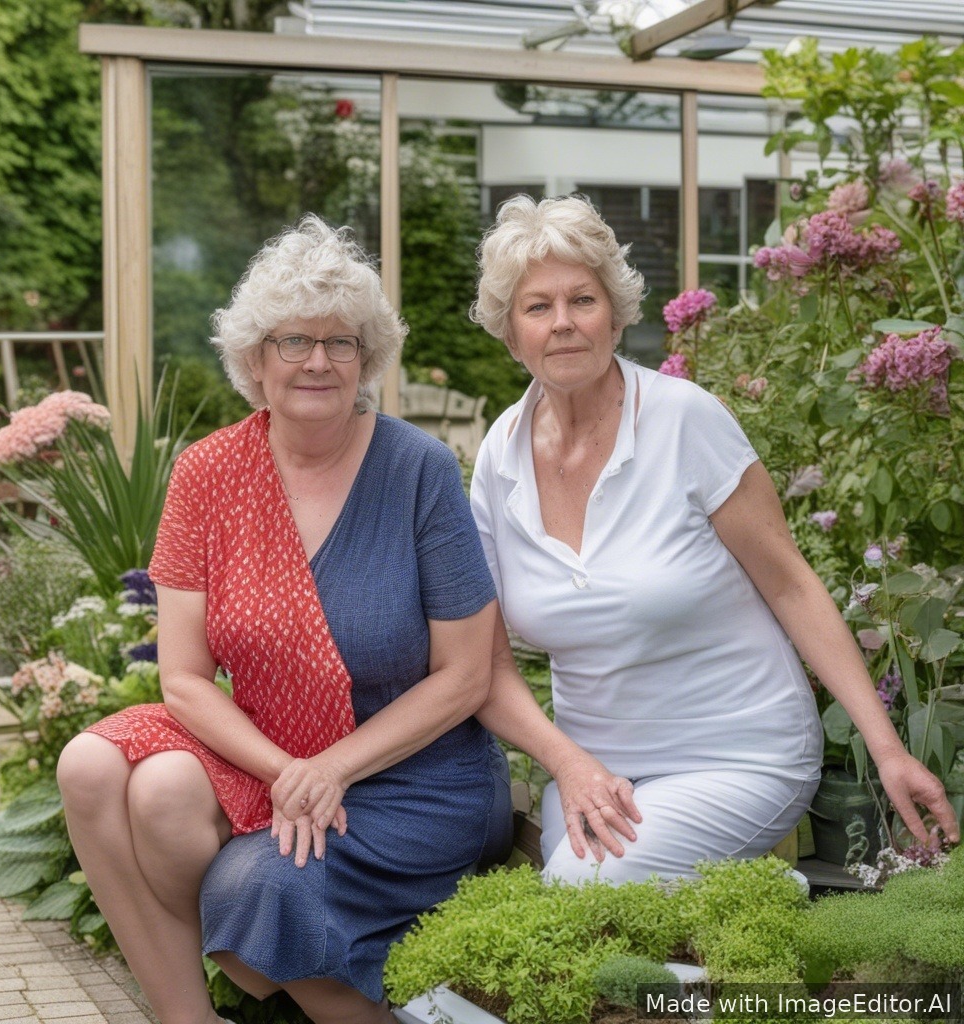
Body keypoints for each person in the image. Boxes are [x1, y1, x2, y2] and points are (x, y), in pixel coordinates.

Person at [56, 215, 513, 1024]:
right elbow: (185, 678)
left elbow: (467, 674)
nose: (317, 362)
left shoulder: (419, 469)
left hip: (414, 775)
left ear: (366, 359)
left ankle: (309, 979)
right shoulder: (208, 473)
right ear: (254, 360)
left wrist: (332, 769)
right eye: (293, 341)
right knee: (99, 771)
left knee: (255, 887)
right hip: (276, 754)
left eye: (341, 343)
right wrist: (288, 771)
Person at [468, 193, 959, 886]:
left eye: (582, 300)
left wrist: (887, 748)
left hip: (740, 755)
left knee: (581, 889)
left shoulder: (684, 421)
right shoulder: (500, 457)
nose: (564, 325)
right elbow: (483, 662)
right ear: (512, 333)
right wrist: (570, 764)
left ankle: (756, 894)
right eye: (538, 307)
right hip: (598, 773)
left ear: (615, 313)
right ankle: (759, 895)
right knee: (590, 916)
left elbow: (790, 584)